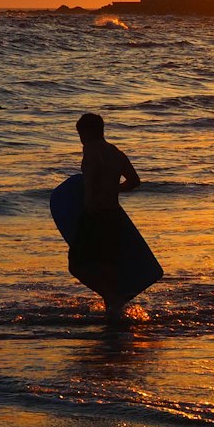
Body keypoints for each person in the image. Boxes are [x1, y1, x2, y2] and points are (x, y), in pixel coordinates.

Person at [70, 112, 141, 318]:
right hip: (115, 215)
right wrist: (113, 189)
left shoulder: (91, 151)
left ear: (88, 132)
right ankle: (113, 309)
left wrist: (90, 203)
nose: (80, 140)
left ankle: (111, 297)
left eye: (81, 135)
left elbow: (90, 180)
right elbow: (134, 181)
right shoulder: (116, 152)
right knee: (108, 265)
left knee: (77, 265)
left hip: (96, 214)